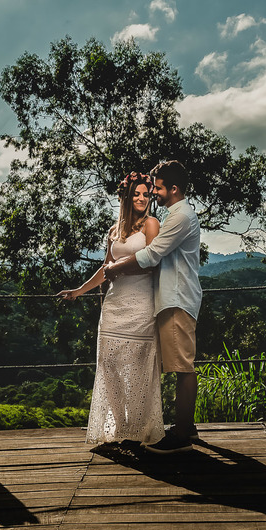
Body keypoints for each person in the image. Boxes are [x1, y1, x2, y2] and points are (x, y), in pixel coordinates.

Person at [59, 171, 164, 448]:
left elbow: (152, 262)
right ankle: (121, 425)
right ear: (126, 197)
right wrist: (79, 291)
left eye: (146, 194)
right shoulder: (114, 231)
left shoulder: (152, 225)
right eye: (136, 194)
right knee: (110, 366)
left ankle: (138, 430)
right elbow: (104, 270)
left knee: (139, 367)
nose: (142, 198)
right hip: (114, 307)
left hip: (142, 306)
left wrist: (118, 267)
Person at [104, 159, 201, 455]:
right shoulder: (177, 214)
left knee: (182, 366)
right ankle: (184, 426)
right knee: (177, 364)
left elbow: (152, 254)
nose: (153, 195)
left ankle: (183, 433)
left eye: (157, 189)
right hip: (169, 298)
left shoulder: (180, 217)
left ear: (173, 189)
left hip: (177, 298)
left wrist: (116, 268)